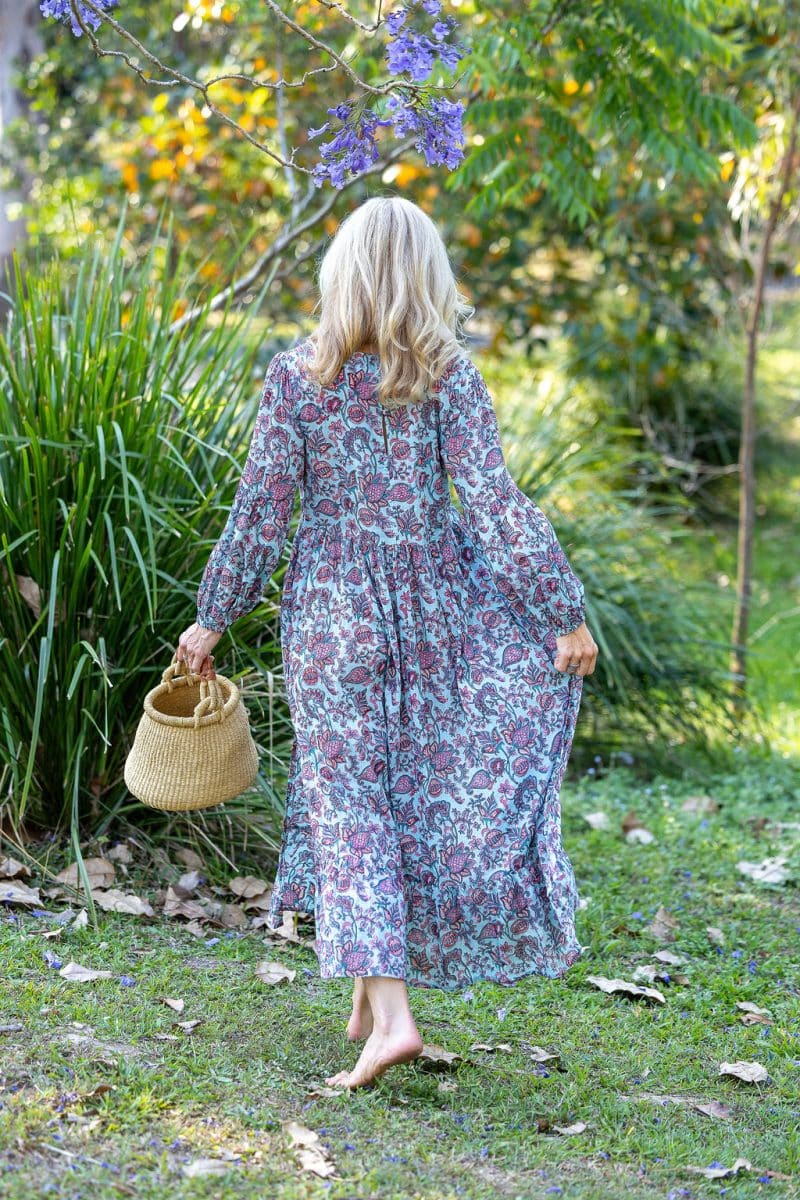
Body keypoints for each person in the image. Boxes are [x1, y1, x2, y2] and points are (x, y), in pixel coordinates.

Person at [176, 195, 598, 1091]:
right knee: (400, 790)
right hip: (435, 609)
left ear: (343, 274)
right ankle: (373, 1000)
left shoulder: (300, 378)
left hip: (332, 615)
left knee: (348, 799)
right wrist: (561, 609)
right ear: (426, 277)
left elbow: (261, 516)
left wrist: (211, 618)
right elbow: (494, 507)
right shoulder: (449, 377)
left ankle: (393, 1015)